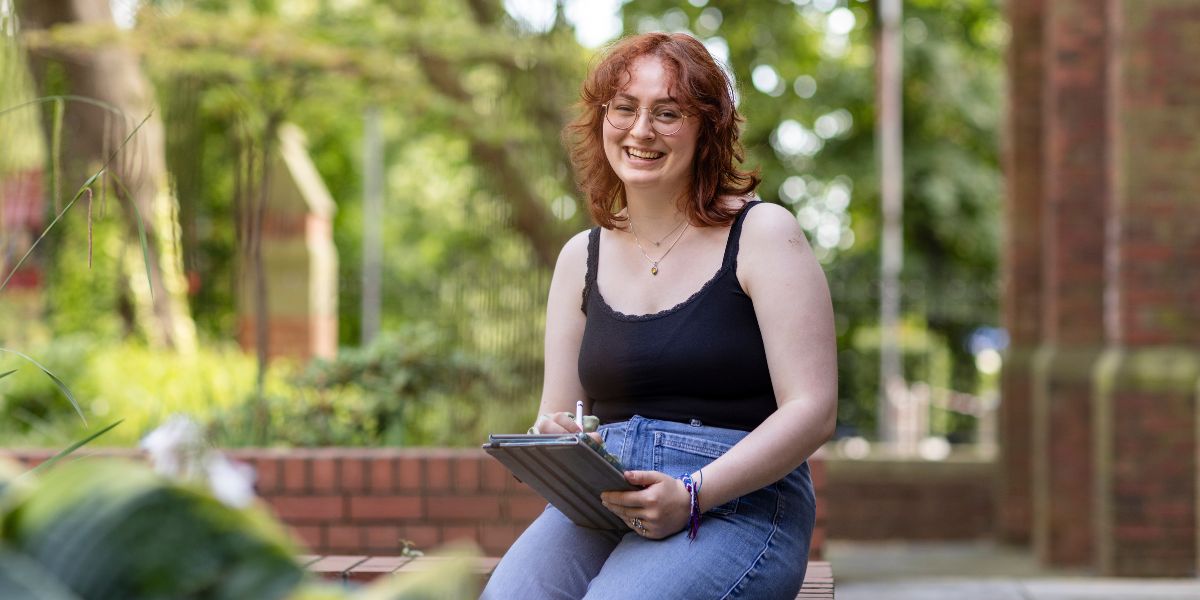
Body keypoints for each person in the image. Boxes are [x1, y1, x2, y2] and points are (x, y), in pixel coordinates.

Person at [481, 31, 836, 600]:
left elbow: (814, 411)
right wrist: (556, 435)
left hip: (738, 505)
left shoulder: (763, 234)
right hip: (605, 502)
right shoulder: (581, 257)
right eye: (624, 108)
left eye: (667, 112)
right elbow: (554, 411)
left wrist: (693, 493)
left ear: (706, 130)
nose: (641, 129)